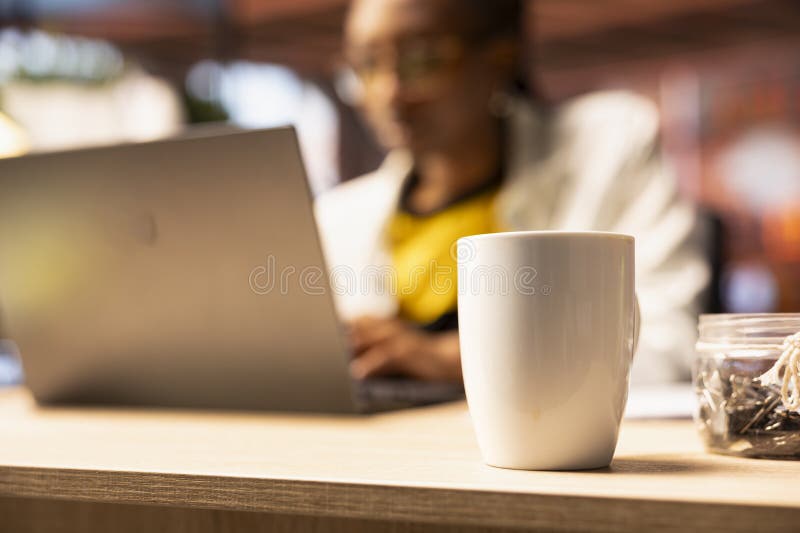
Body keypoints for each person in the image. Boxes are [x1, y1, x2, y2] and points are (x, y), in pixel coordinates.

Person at [315, 0, 709, 385]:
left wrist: (447, 359)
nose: (388, 92)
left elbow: (667, 349)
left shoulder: (607, 149)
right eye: (366, 64)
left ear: (501, 56)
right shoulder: (341, 215)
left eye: (422, 60)